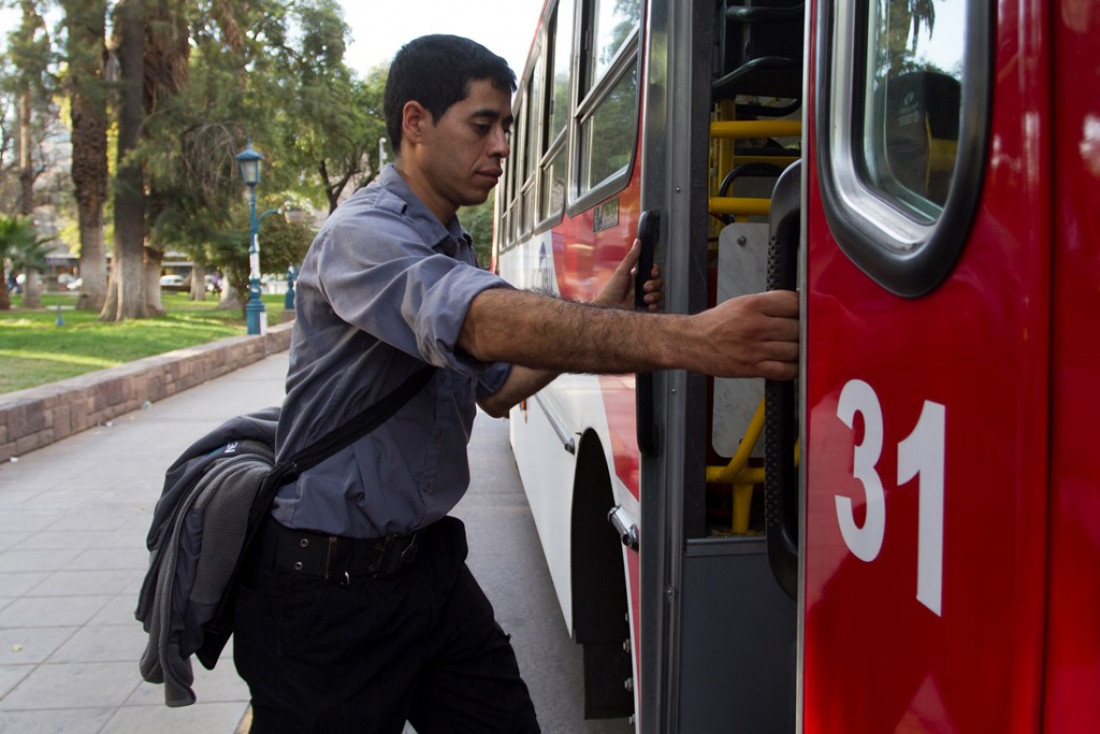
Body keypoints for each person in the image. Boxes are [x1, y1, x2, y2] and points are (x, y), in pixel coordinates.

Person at [232, 34, 798, 734]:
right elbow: (477, 323)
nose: (503, 145)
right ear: (415, 123)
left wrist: (606, 312)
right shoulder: (362, 236)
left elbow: (496, 389)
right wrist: (697, 342)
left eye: (506, 126)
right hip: (325, 593)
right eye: (483, 125)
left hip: (423, 571)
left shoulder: (448, 239)